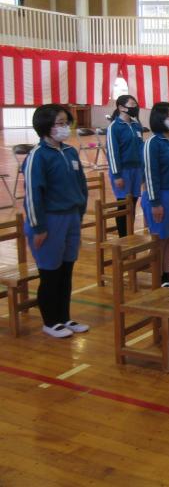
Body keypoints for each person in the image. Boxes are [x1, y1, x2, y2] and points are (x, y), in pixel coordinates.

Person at [23, 104, 89, 338]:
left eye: (66, 123)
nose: (65, 127)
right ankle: (50, 321)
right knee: (50, 273)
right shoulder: (37, 156)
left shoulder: (70, 152)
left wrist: (79, 214)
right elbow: (33, 194)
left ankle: (64, 316)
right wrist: (38, 227)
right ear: (45, 127)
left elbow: (81, 185)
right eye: (59, 123)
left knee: (66, 270)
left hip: (71, 217)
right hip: (49, 221)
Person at [142, 102, 169, 289]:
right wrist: (155, 202)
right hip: (160, 196)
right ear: (159, 119)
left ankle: (166, 277)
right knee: (160, 238)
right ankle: (157, 278)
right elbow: (150, 174)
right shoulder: (152, 143)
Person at [107, 95, 144, 237]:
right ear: (121, 107)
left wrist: (143, 170)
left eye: (136, 104)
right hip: (122, 171)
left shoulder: (136, 125)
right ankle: (123, 237)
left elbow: (141, 148)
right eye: (132, 104)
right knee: (123, 204)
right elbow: (112, 152)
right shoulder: (114, 127)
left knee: (133, 202)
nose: (135, 107)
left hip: (136, 170)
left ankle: (130, 233)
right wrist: (117, 175)